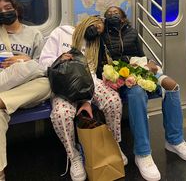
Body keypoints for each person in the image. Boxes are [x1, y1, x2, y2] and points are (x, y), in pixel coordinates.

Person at [102, 6, 186, 181]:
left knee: (172, 86)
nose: (113, 15)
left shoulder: (132, 32)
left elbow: (141, 55)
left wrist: (149, 64)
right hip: (122, 75)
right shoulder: (103, 35)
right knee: (137, 92)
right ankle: (142, 153)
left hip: (141, 68)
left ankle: (174, 141)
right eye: (109, 14)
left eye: (116, 13)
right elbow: (102, 60)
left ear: (123, 18)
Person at [39, 16, 125, 181]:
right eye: (96, 24)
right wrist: (59, 59)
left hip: (88, 82)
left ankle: (114, 144)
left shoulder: (95, 43)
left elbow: (93, 71)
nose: (97, 29)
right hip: (63, 84)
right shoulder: (61, 32)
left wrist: (87, 101)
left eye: (100, 29)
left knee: (113, 100)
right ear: (87, 21)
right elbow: (43, 62)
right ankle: (74, 155)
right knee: (61, 114)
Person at [0, 0, 51, 181]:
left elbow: (44, 66)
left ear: (16, 9)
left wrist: (26, 60)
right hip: (3, 82)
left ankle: (2, 102)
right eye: (0, 10)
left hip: (25, 89)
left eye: (8, 8)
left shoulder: (34, 33)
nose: (4, 12)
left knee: (48, 83)